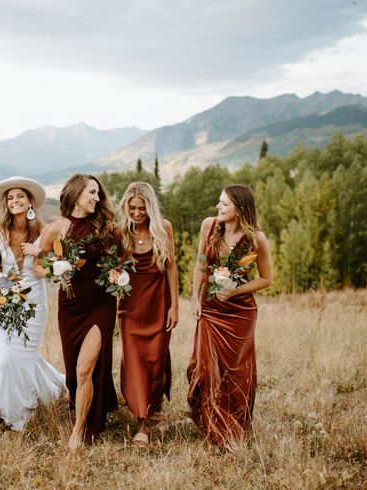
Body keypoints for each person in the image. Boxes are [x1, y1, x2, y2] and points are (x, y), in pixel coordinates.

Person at [187, 184, 273, 451]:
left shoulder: (256, 239)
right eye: (219, 203)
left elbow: (266, 279)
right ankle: (215, 428)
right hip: (210, 308)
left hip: (240, 313)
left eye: (224, 204)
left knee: (236, 373)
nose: (218, 208)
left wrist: (236, 289)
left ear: (240, 208)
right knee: (206, 369)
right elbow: (201, 264)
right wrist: (194, 297)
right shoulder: (209, 226)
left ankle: (234, 427)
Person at [38, 173, 119, 450]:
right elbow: (37, 261)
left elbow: (124, 256)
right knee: (74, 373)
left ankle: (79, 431)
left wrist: (118, 274)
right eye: (91, 193)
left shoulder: (106, 226)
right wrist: (56, 272)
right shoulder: (57, 228)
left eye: (98, 193)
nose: (97, 198)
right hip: (70, 306)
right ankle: (92, 407)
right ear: (75, 195)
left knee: (85, 369)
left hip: (101, 304)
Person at [0, 177, 66, 430]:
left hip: (35, 300)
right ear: (6, 204)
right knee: (6, 358)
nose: (15, 201)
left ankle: (25, 412)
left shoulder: (45, 231)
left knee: (26, 356)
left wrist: (39, 254)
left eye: (20, 196)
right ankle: (10, 412)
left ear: (29, 201)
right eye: (10, 198)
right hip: (5, 297)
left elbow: (58, 269)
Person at [117, 182, 179, 447]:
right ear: (126, 207)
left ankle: (150, 412)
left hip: (158, 304)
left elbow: (172, 268)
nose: (137, 212)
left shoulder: (163, 228)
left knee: (154, 359)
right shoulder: (120, 232)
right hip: (130, 308)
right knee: (134, 361)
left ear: (150, 207)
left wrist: (175, 305)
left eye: (142, 208)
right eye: (132, 207)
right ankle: (142, 417)